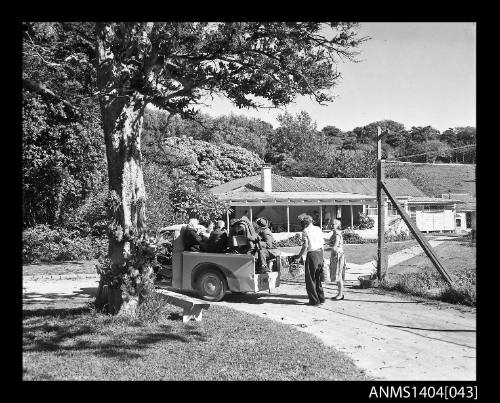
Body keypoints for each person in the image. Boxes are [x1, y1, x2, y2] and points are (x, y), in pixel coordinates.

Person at [293, 213, 325, 305]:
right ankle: (321, 297)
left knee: (310, 279)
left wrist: (299, 256)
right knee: (318, 277)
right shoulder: (318, 229)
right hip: (320, 253)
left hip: (312, 254)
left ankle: (314, 300)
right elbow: (322, 243)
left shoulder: (305, 231)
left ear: (304, 223)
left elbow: (305, 246)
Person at [329, 219, 346, 300]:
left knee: (338, 275)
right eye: (332, 224)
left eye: (334, 224)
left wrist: (325, 249)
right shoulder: (334, 233)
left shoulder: (337, 234)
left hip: (338, 255)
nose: (332, 225)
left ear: (338, 225)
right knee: (336, 275)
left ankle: (341, 294)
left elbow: (335, 246)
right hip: (335, 255)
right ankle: (339, 293)